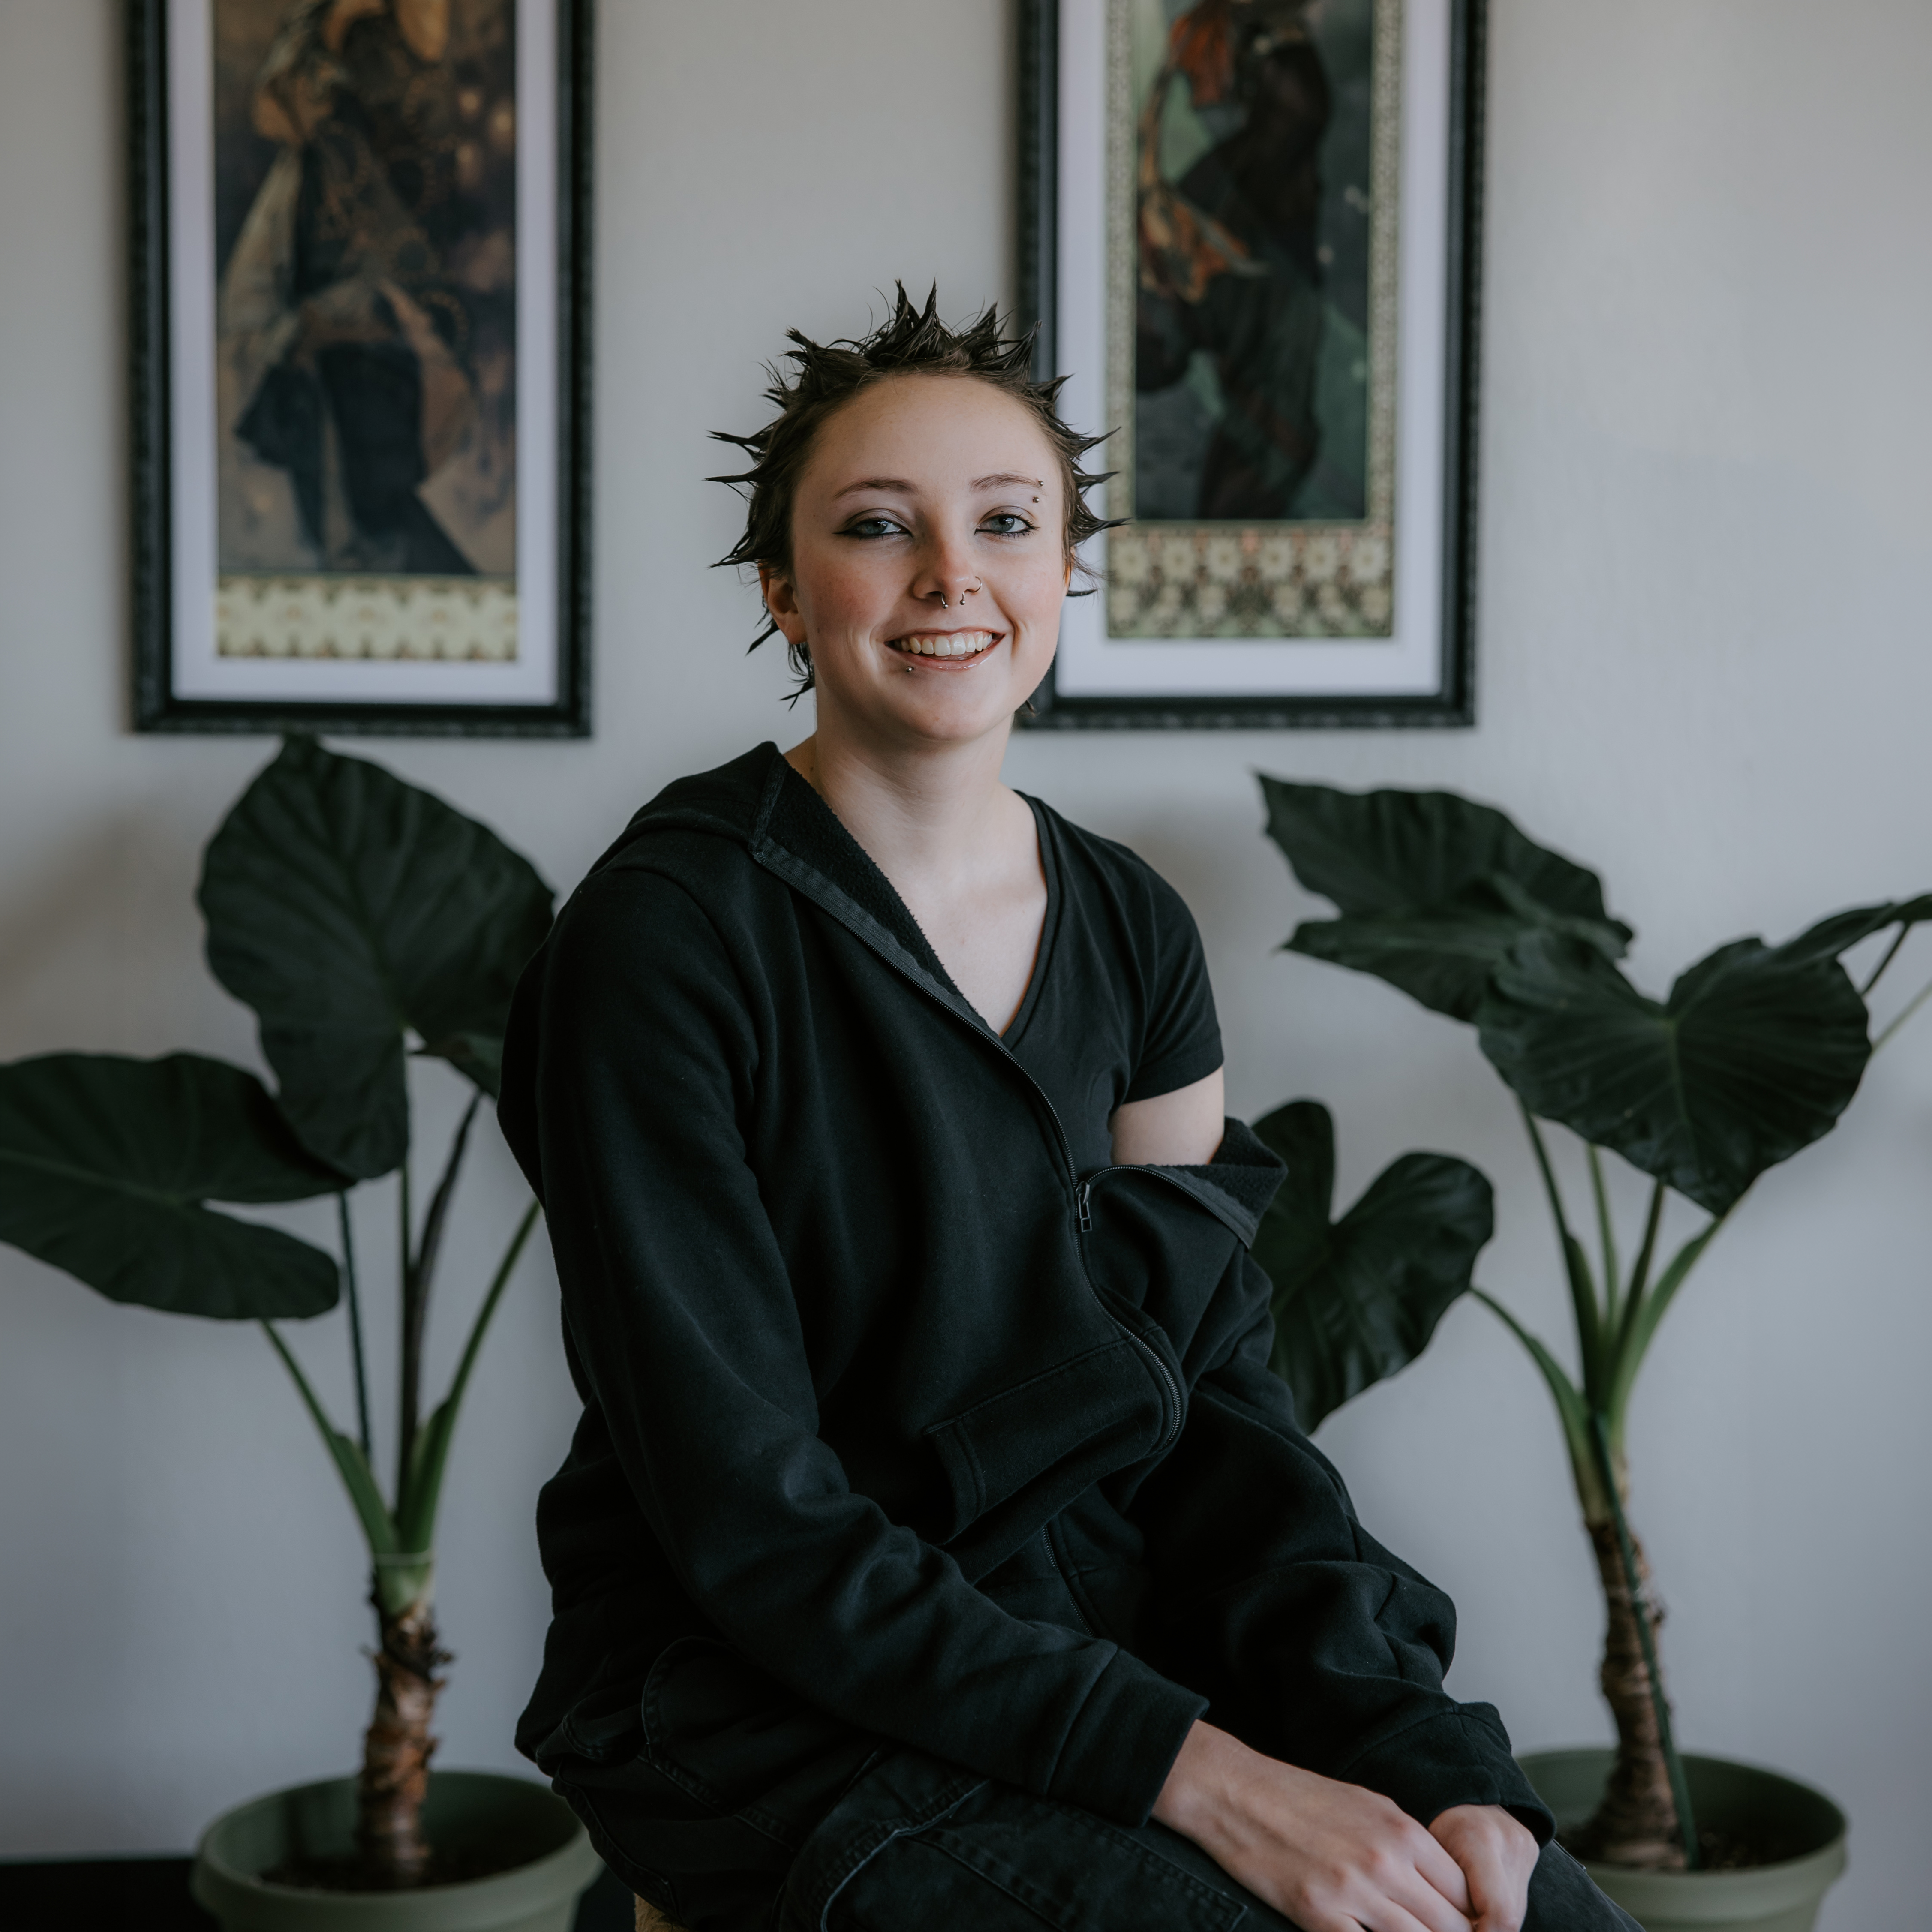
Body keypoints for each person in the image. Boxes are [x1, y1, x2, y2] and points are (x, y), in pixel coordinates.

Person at [498, 289, 1636, 1932]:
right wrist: (1221, 1782)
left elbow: (1216, 1407)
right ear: (782, 590)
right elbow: (753, 1521)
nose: (951, 575)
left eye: (1006, 523)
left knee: (1547, 1920)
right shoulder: (660, 943)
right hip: (752, 1695)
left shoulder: (1135, 929)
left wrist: (1413, 1746)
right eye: (878, 527)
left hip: (1094, 1629)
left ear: (1062, 576)